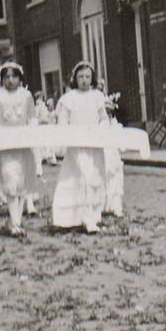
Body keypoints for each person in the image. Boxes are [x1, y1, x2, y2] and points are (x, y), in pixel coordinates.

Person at [0, 62, 41, 236]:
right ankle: (15, 222)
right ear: (1, 79)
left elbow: (32, 117)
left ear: (20, 78)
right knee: (10, 179)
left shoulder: (26, 95)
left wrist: (31, 129)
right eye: (6, 77)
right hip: (5, 145)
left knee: (21, 183)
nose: (10, 80)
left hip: (22, 145)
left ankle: (16, 221)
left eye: (14, 76)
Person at [51, 62, 109, 233]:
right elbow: (63, 122)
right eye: (81, 77)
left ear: (92, 78)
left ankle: (93, 214)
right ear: (75, 79)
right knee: (83, 178)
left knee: (95, 178)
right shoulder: (69, 99)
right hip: (77, 145)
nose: (84, 80)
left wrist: (102, 128)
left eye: (88, 77)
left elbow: (103, 117)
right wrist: (68, 134)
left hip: (94, 145)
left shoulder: (97, 96)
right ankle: (81, 218)